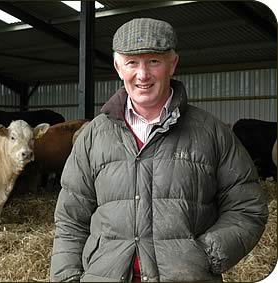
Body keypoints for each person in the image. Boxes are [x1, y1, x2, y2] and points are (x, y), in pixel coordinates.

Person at [50, 18, 268, 282]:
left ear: (172, 64)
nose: (142, 75)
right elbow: (70, 220)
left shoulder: (211, 132)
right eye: (132, 63)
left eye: (153, 61)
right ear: (119, 68)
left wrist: (204, 255)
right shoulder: (94, 136)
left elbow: (247, 207)